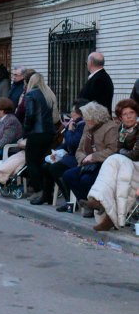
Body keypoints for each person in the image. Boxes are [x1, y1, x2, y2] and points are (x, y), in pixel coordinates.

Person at [80, 99, 139, 230]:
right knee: (114, 178)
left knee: (112, 160)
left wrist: (120, 152)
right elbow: (117, 149)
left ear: (136, 114)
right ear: (120, 117)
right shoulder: (121, 129)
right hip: (124, 165)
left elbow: (135, 154)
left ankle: (105, 209)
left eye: (132, 112)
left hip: (136, 165)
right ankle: (100, 203)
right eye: (125, 114)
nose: (129, 116)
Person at [62, 101, 118, 217]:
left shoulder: (110, 127)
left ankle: (94, 204)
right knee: (68, 175)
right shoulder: (88, 126)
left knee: (86, 179)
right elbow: (79, 149)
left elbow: (113, 149)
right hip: (87, 163)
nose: (85, 120)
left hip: (104, 164)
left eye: (87, 117)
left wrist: (93, 156)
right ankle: (87, 203)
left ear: (95, 116)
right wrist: (83, 159)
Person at [31, 99, 87, 207]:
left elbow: (73, 143)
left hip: (78, 157)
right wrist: (56, 152)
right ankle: (46, 196)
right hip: (70, 156)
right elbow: (66, 145)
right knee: (45, 166)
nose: (71, 114)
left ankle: (69, 201)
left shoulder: (82, 125)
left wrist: (69, 130)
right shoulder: (77, 124)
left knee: (55, 168)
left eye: (73, 111)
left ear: (80, 113)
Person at [22, 73, 57, 199]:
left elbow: (30, 115)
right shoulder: (48, 95)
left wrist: (25, 131)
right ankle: (47, 191)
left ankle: (39, 190)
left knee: (31, 162)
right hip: (48, 133)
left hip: (36, 133)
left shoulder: (31, 94)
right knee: (42, 162)